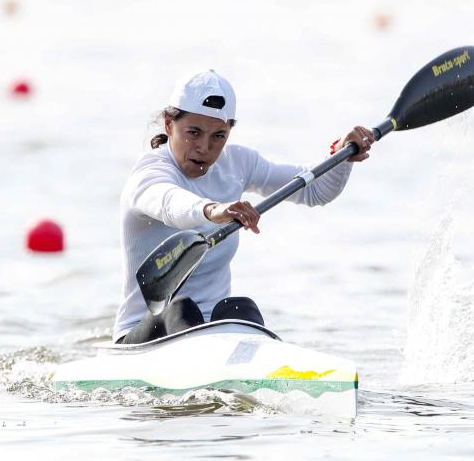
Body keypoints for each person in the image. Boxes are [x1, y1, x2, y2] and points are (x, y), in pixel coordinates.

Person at [113, 69, 374, 344]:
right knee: (181, 308)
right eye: (193, 132)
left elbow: (315, 190)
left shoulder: (238, 164)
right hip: (142, 337)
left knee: (241, 309)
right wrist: (213, 210)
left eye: (218, 136)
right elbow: (170, 203)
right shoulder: (149, 173)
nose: (204, 147)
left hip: (210, 332)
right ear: (169, 125)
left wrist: (343, 155)